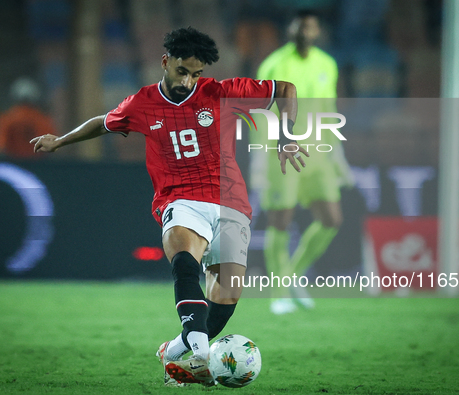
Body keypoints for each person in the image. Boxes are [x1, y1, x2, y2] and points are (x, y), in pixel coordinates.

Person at [30, 27, 307, 386]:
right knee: (185, 262)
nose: (189, 81)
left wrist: (286, 136)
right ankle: (203, 359)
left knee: (225, 298)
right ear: (165, 62)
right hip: (180, 199)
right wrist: (61, 141)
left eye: (197, 74)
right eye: (183, 71)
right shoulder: (141, 103)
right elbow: (104, 123)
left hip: (230, 203)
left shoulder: (222, 93)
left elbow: (285, 90)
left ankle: (175, 350)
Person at [254, 10, 354, 315]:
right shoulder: (274, 64)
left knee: (331, 219)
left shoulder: (327, 64)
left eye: (309, 26)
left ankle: (292, 276)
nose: (304, 30)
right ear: (291, 29)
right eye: (299, 25)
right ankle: (278, 294)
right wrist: (259, 158)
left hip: (318, 152)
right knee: (280, 221)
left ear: (317, 30)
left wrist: (339, 158)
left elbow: (329, 111)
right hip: (280, 152)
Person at [0, 77, 57, 158]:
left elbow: (0, 145)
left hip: (14, 164)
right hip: (38, 165)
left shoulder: (7, 118)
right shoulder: (42, 119)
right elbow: (51, 145)